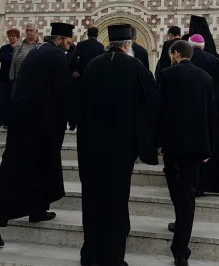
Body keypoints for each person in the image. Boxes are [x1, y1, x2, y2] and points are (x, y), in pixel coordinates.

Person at [0, 23, 74, 247]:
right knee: (19, 169)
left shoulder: (36, 52)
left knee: (38, 165)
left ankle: (38, 209)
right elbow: (60, 92)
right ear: (61, 39)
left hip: (22, 119)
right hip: (40, 123)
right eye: (69, 42)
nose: (70, 46)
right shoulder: (57, 57)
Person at [78, 24, 159, 266]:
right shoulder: (135, 66)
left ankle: (89, 254)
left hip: (91, 144)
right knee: (116, 198)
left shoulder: (93, 65)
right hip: (121, 145)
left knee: (92, 197)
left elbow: (80, 102)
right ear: (128, 45)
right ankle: (113, 257)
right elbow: (153, 103)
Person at [158, 40, 217, 266]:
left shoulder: (166, 75)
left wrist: (159, 142)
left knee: (174, 181)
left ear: (175, 53)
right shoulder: (205, 78)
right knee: (189, 193)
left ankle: (179, 218)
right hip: (196, 145)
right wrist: (208, 147)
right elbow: (211, 115)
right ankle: (181, 250)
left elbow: (161, 110)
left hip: (172, 143)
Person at [187, 34, 219, 196]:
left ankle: (191, 184)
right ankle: (209, 184)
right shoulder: (214, 60)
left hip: (188, 111)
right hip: (209, 111)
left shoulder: (186, 61)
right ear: (203, 46)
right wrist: (211, 100)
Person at [68, 27, 104, 130]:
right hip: (94, 79)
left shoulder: (81, 45)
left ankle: (73, 124)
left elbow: (71, 59)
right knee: (92, 101)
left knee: (78, 100)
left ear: (88, 34)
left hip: (80, 77)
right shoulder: (100, 47)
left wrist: (74, 71)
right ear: (97, 34)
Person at [0, 28, 20, 128]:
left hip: (14, 78)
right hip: (4, 77)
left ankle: (8, 121)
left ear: (17, 37)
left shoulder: (19, 48)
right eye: (10, 36)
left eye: (13, 36)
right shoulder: (5, 48)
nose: (11, 38)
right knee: (2, 99)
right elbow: (2, 58)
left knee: (12, 100)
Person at [8, 22, 42, 92]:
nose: (29, 32)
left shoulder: (41, 46)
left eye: (31, 30)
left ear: (36, 31)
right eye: (27, 30)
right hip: (18, 81)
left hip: (35, 81)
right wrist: (12, 78)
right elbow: (13, 62)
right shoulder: (19, 46)